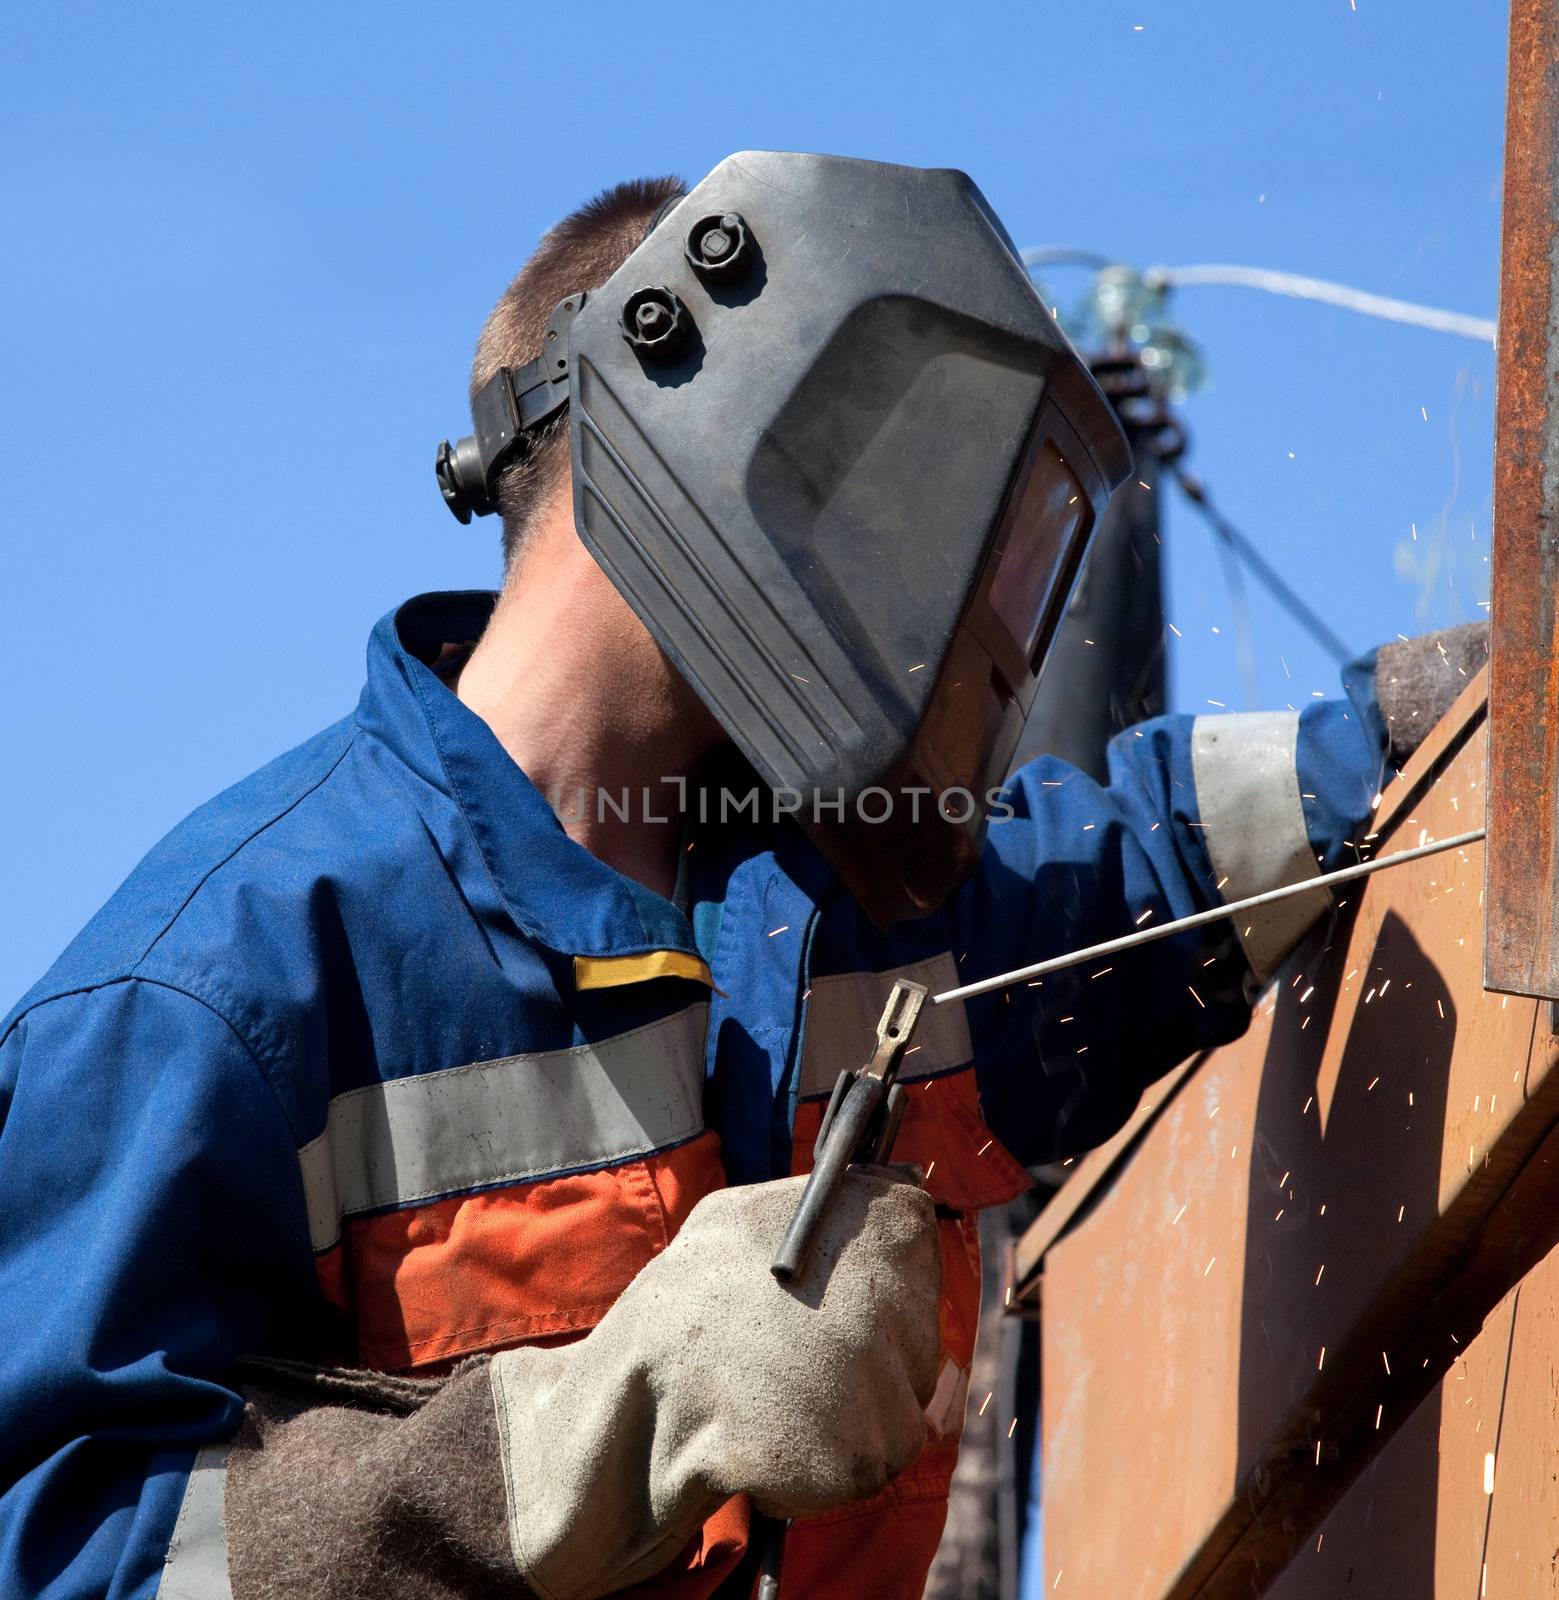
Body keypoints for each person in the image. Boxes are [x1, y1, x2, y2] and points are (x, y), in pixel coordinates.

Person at [0, 166, 1481, 1600]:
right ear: (709, 406)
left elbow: (1159, 854)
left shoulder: (849, 900)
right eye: (892, 465)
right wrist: (589, 1440)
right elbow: (63, 1552)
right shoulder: (216, 990)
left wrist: (1471, 715)